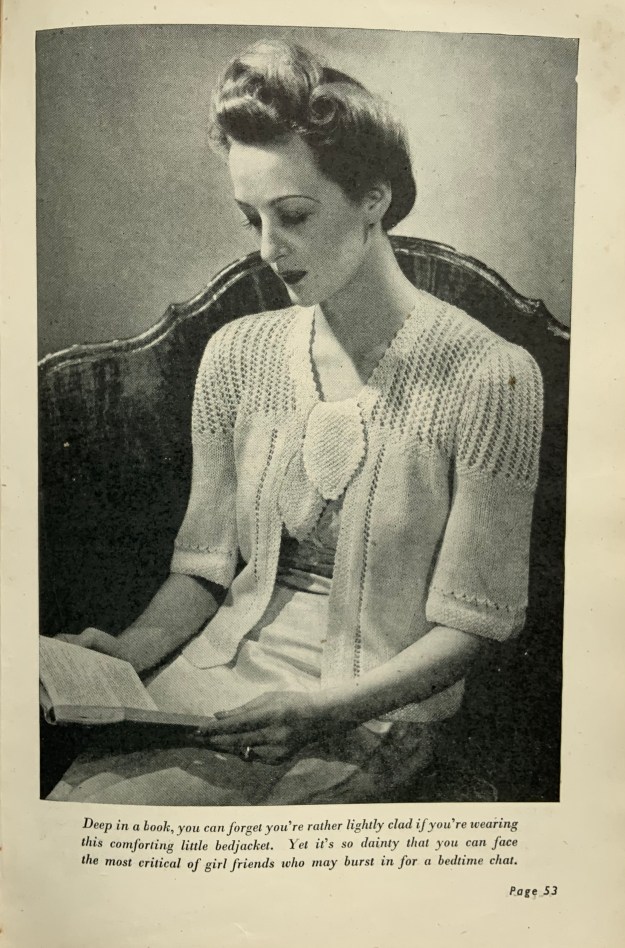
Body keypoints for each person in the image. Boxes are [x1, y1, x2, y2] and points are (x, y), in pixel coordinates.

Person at [48, 40, 543, 805]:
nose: (267, 249)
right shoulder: (234, 354)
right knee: (80, 812)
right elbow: (203, 569)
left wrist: (323, 711)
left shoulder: (491, 375)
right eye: (251, 218)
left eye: (294, 215)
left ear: (372, 197)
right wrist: (126, 653)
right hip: (210, 684)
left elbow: (473, 626)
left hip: (372, 714)